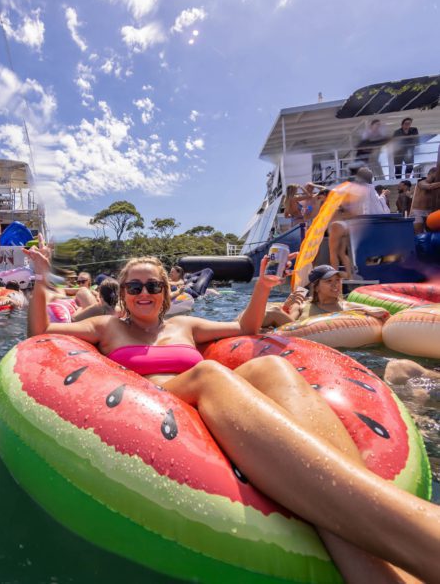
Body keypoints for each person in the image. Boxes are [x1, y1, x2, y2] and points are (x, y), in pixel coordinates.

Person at [25, 240, 438, 583]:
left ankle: (375, 563)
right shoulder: (105, 329)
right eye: (134, 287)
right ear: (123, 295)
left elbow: (246, 330)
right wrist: (42, 279)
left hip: (213, 403)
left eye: (153, 285)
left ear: (166, 293)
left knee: (272, 365)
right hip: (156, 405)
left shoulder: (186, 328)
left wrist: (264, 286)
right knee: (208, 372)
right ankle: (416, 533)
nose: (144, 292)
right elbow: (41, 334)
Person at [262, 265, 390, 328]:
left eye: (338, 280)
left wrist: (364, 312)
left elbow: (382, 312)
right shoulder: (302, 305)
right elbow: (288, 327)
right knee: (273, 312)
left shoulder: (346, 305)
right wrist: (288, 305)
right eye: (329, 281)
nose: (336, 285)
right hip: (303, 341)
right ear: (316, 287)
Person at [328, 167, 386, 278]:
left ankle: (334, 277)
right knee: (342, 253)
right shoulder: (369, 190)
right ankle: (350, 275)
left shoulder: (352, 191)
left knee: (333, 252)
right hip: (352, 225)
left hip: (341, 224)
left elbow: (363, 209)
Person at [410, 167, 440, 233]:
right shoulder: (421, 183)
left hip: (430, 212)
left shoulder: (436, 185)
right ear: (429, 174)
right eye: (434, 176)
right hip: (418, 212)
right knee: (418, 233)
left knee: (430, 233)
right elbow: (429, 187)